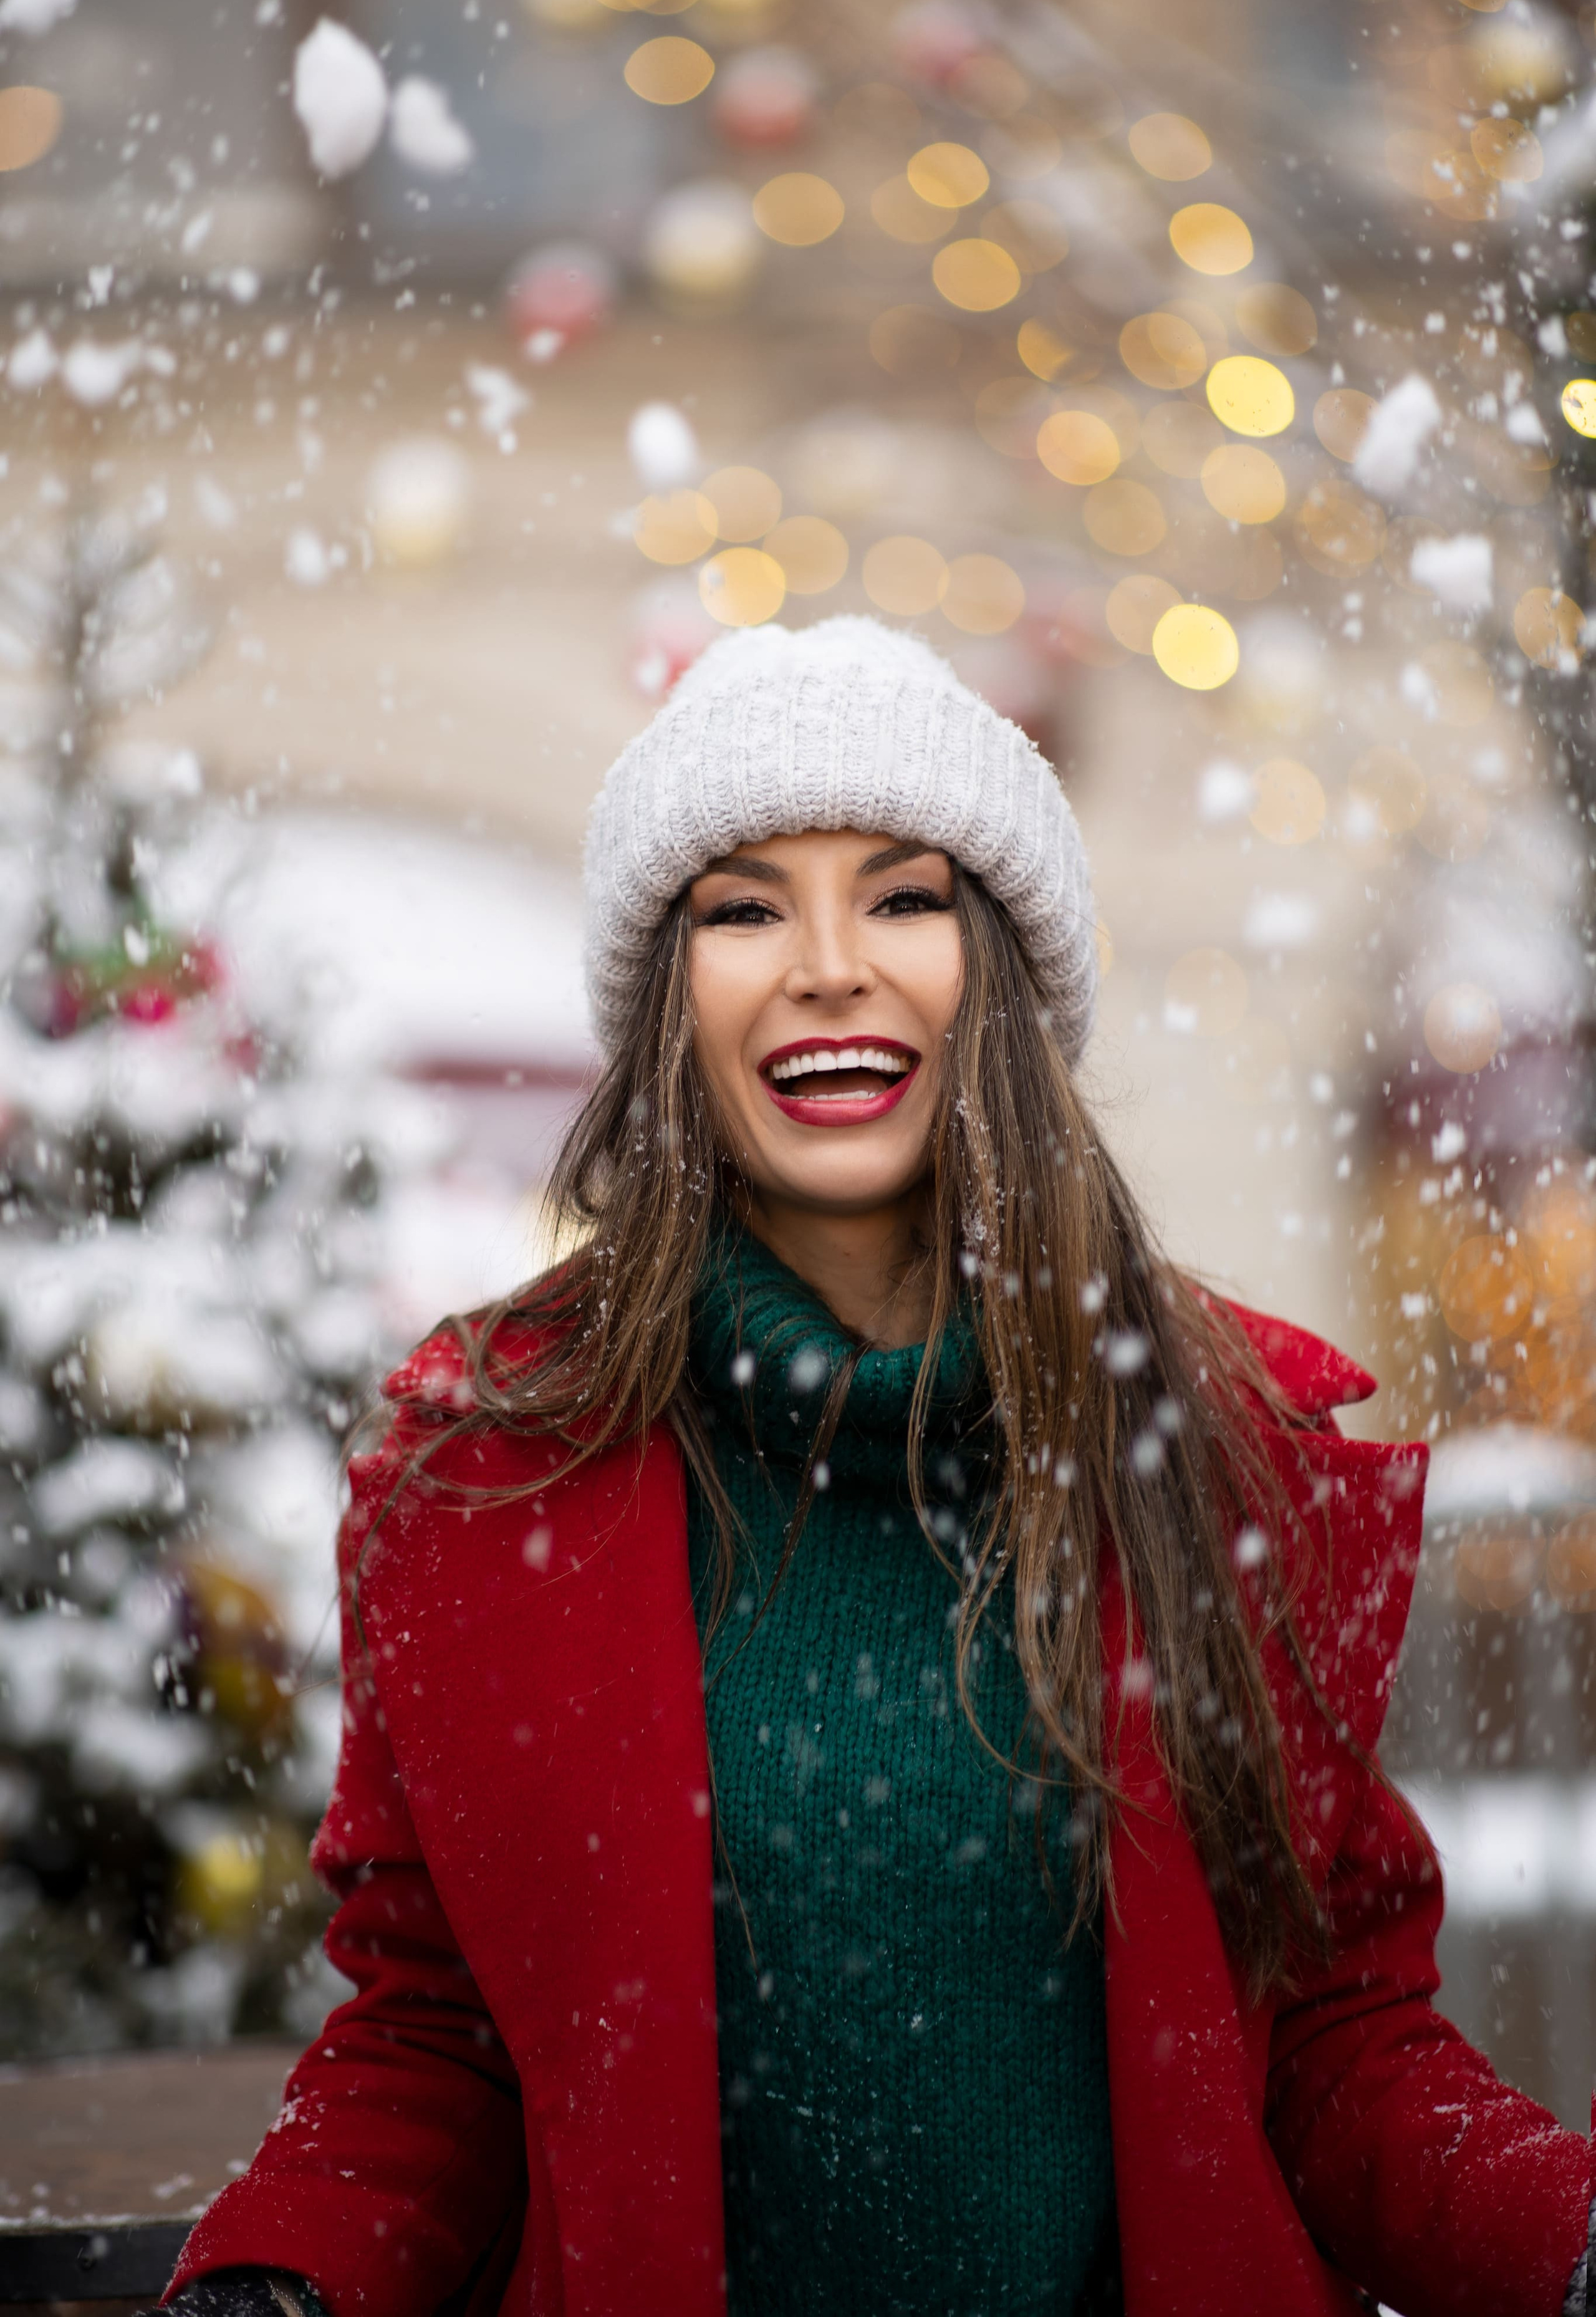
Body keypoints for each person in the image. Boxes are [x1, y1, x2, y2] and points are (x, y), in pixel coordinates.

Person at [160, 618, 1592, 2317]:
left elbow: (1334, 2044)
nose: (828, 966)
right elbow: (437, 2043)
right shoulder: (484, 1476)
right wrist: (278, 2279)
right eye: (744, 910)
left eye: (905, 898)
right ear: (667, 1001)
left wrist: (1563, 2235)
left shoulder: (1224, 1459)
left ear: (1002, 975)